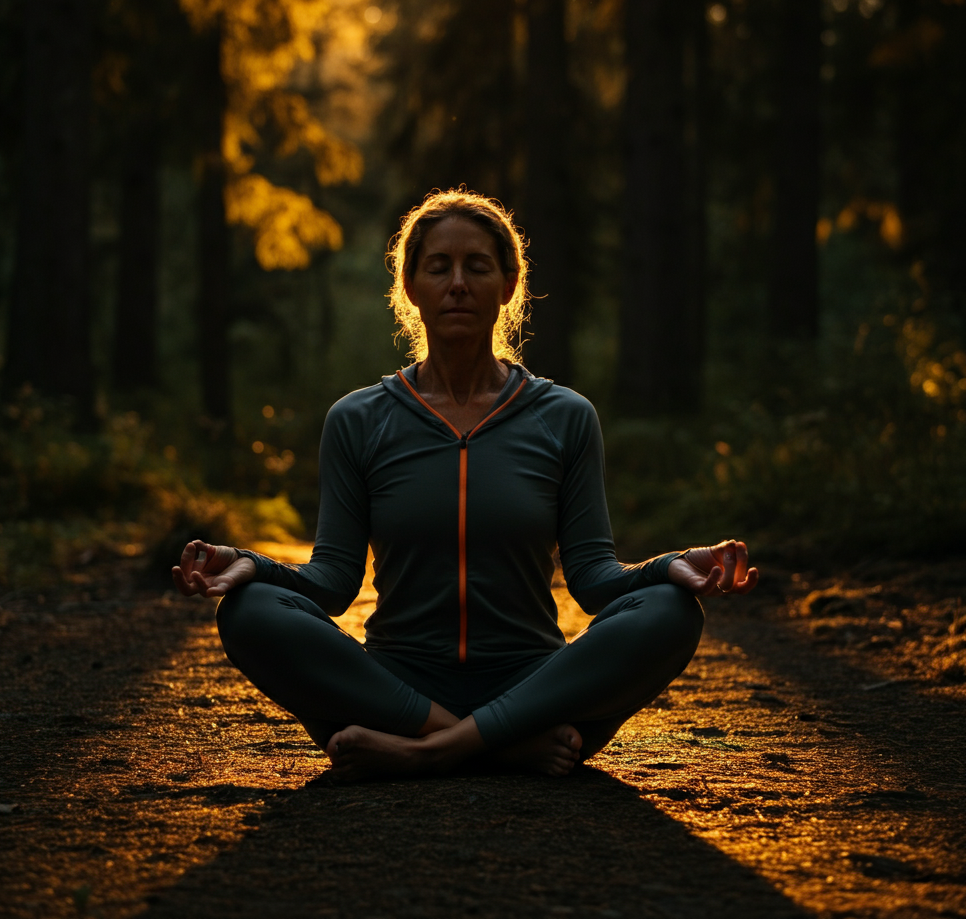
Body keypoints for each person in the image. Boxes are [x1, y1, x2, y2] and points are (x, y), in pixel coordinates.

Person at [172, 189, 757, 783]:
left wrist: (670, 568)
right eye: (439, 267)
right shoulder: (356, 420)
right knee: (248, 613)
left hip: (533, 684)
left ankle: (429, 752)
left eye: (477, 267)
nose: (458, 283)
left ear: (508, 285)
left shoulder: (565, 416)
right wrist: (251, 567)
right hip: (398, 688)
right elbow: (330, 584)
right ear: (410, 287)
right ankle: (494, 746)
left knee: (672, 612)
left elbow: (595, 579)